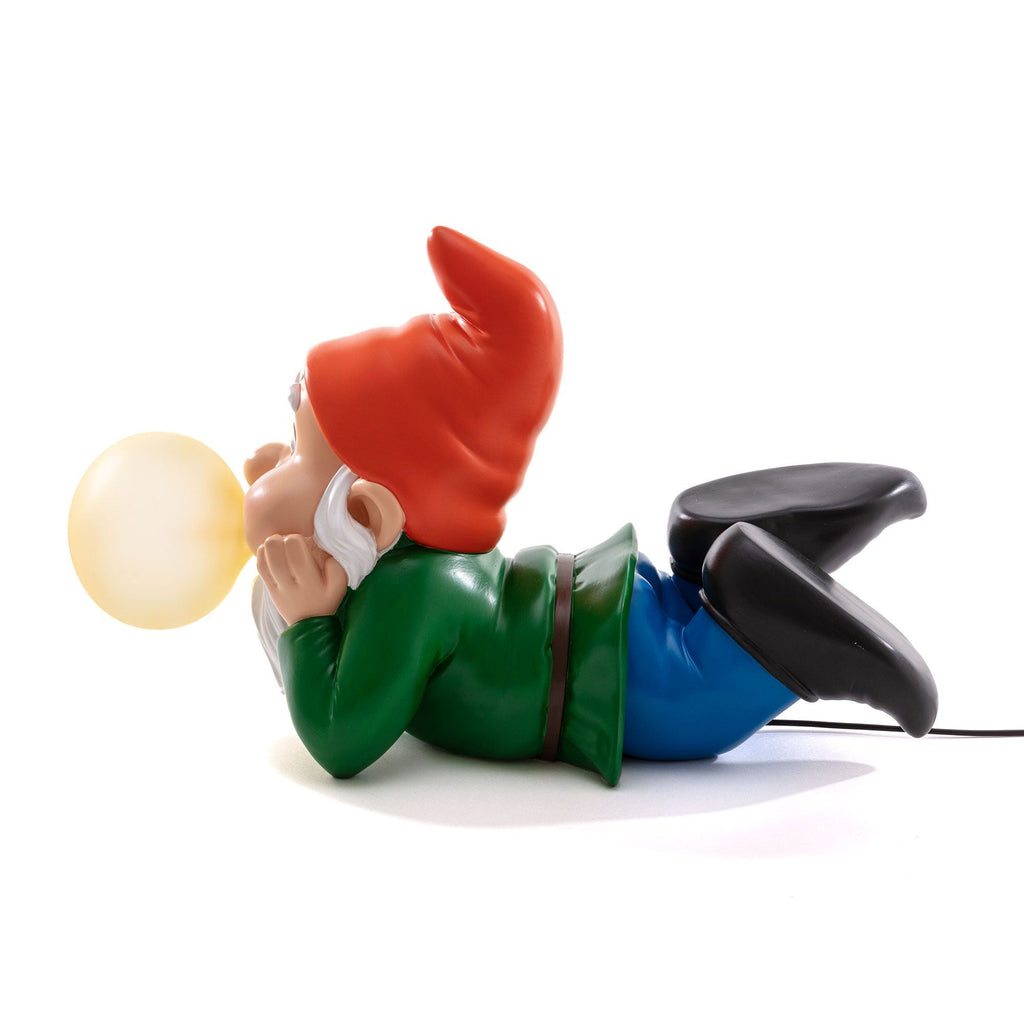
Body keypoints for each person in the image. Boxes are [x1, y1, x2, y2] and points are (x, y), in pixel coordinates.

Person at [244, 227, 937, 785]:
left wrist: (307, 623)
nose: (260, 465)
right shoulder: (415, 576)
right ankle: (737, 543)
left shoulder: (407, 595)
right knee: (695, 579)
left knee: (724, 643)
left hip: (653, 688)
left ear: (366, 515)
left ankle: (778, 607)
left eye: (295, 453)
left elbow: (340, 739)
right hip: (612, 615)